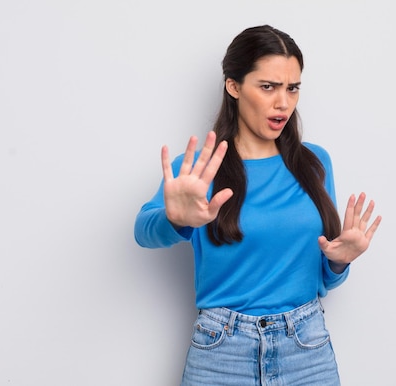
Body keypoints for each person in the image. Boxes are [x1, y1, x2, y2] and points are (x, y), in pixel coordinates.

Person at [134, 24, 381, 386]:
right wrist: (175, 220)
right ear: (233, 86)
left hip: (306, 346)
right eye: (268, 87)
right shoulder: (201, 169)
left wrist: (339, 261)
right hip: (221, 351)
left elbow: (323, 277)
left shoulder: (315, 163)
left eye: (292, 88)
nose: (283, 103)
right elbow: (143, 232)